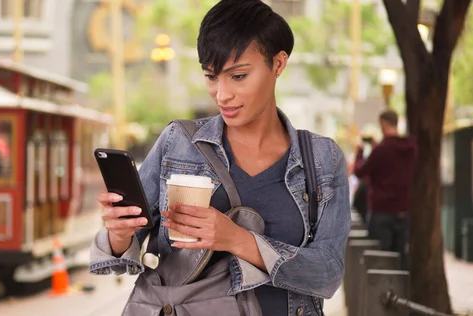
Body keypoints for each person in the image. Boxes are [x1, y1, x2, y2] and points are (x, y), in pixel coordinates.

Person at [89, 0, 350, 314]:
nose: (222, 94)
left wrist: (237, 239)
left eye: (238, 76)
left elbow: (327, 273)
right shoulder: (178, 143)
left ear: (278, 64)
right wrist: (119, 234)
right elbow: (122, 253)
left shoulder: (322, 159)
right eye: (212, 77)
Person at [354, 110, 417, 269]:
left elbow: (360, 172)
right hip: (404, 210)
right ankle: (400, 292)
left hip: (382, 210)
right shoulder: (412, 148)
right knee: (401, 257)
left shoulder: (381, 150)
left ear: (383, 123)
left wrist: (360, 153)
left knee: (381, 259)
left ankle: (383, 293)